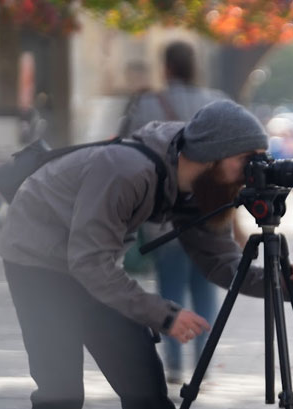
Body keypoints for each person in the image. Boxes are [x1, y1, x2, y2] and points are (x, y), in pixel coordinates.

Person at [0, 99, 293, 409]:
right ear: (214, 154)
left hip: (91, 264)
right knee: (60, 392)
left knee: (147, 394)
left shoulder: (194, 184)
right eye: (246, 160)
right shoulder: (127, 170)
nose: (253, 171)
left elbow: (217, 259)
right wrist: (162, 314)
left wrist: (273, 284)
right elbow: (88, 261)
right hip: (38, 261)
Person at [123, 42, 231, 385]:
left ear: (166, 67)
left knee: (169, 285)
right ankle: (203, 365)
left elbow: (128, 149)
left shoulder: (147, 103)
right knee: (205, 285)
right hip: (210, 209)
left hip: (165, 210)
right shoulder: (216, 101)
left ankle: (172, 364)